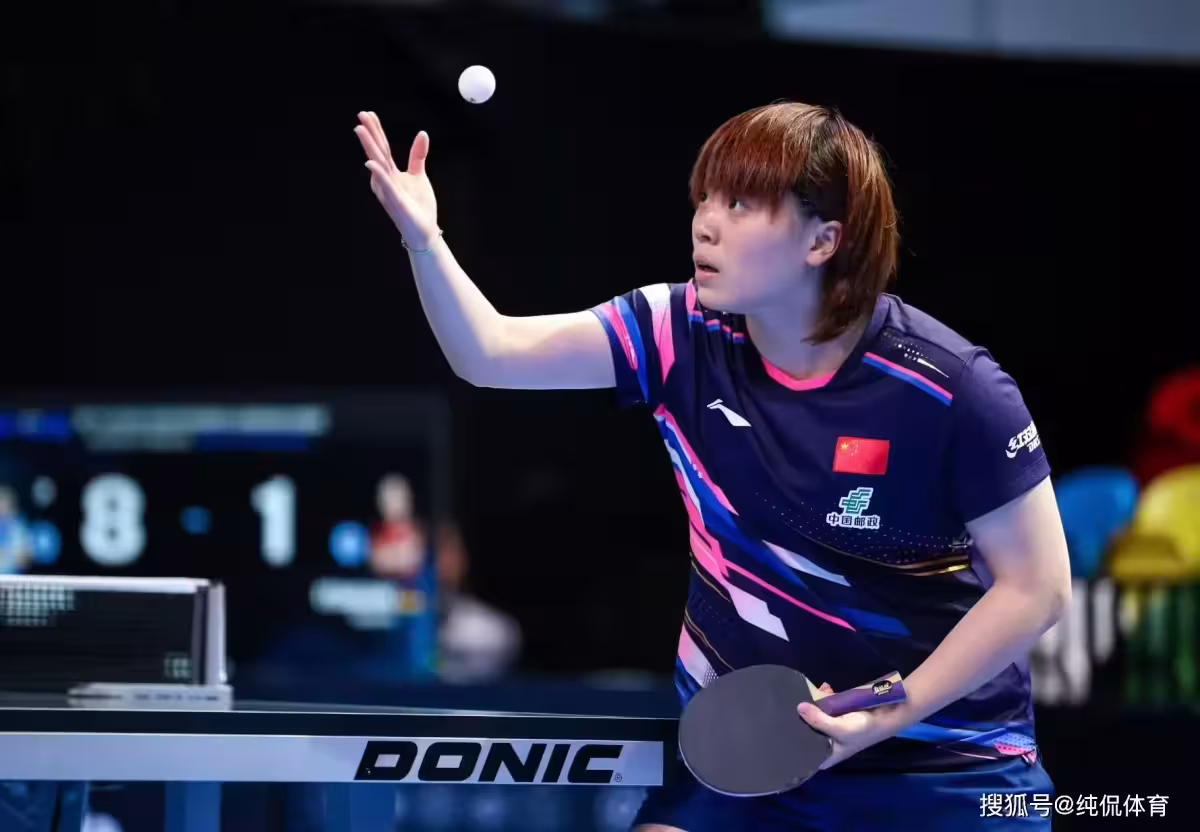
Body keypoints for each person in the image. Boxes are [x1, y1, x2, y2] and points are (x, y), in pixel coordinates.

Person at [354, 102, 1071, 830]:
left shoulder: (950, 388)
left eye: (741, 204)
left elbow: (1037, 588)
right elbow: (490, 353)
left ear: (823, 240)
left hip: (946, 765)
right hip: (749, 761)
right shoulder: (679, 334)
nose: (705, 223)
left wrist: (887, 711)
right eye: (704, 198)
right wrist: (425, 240)